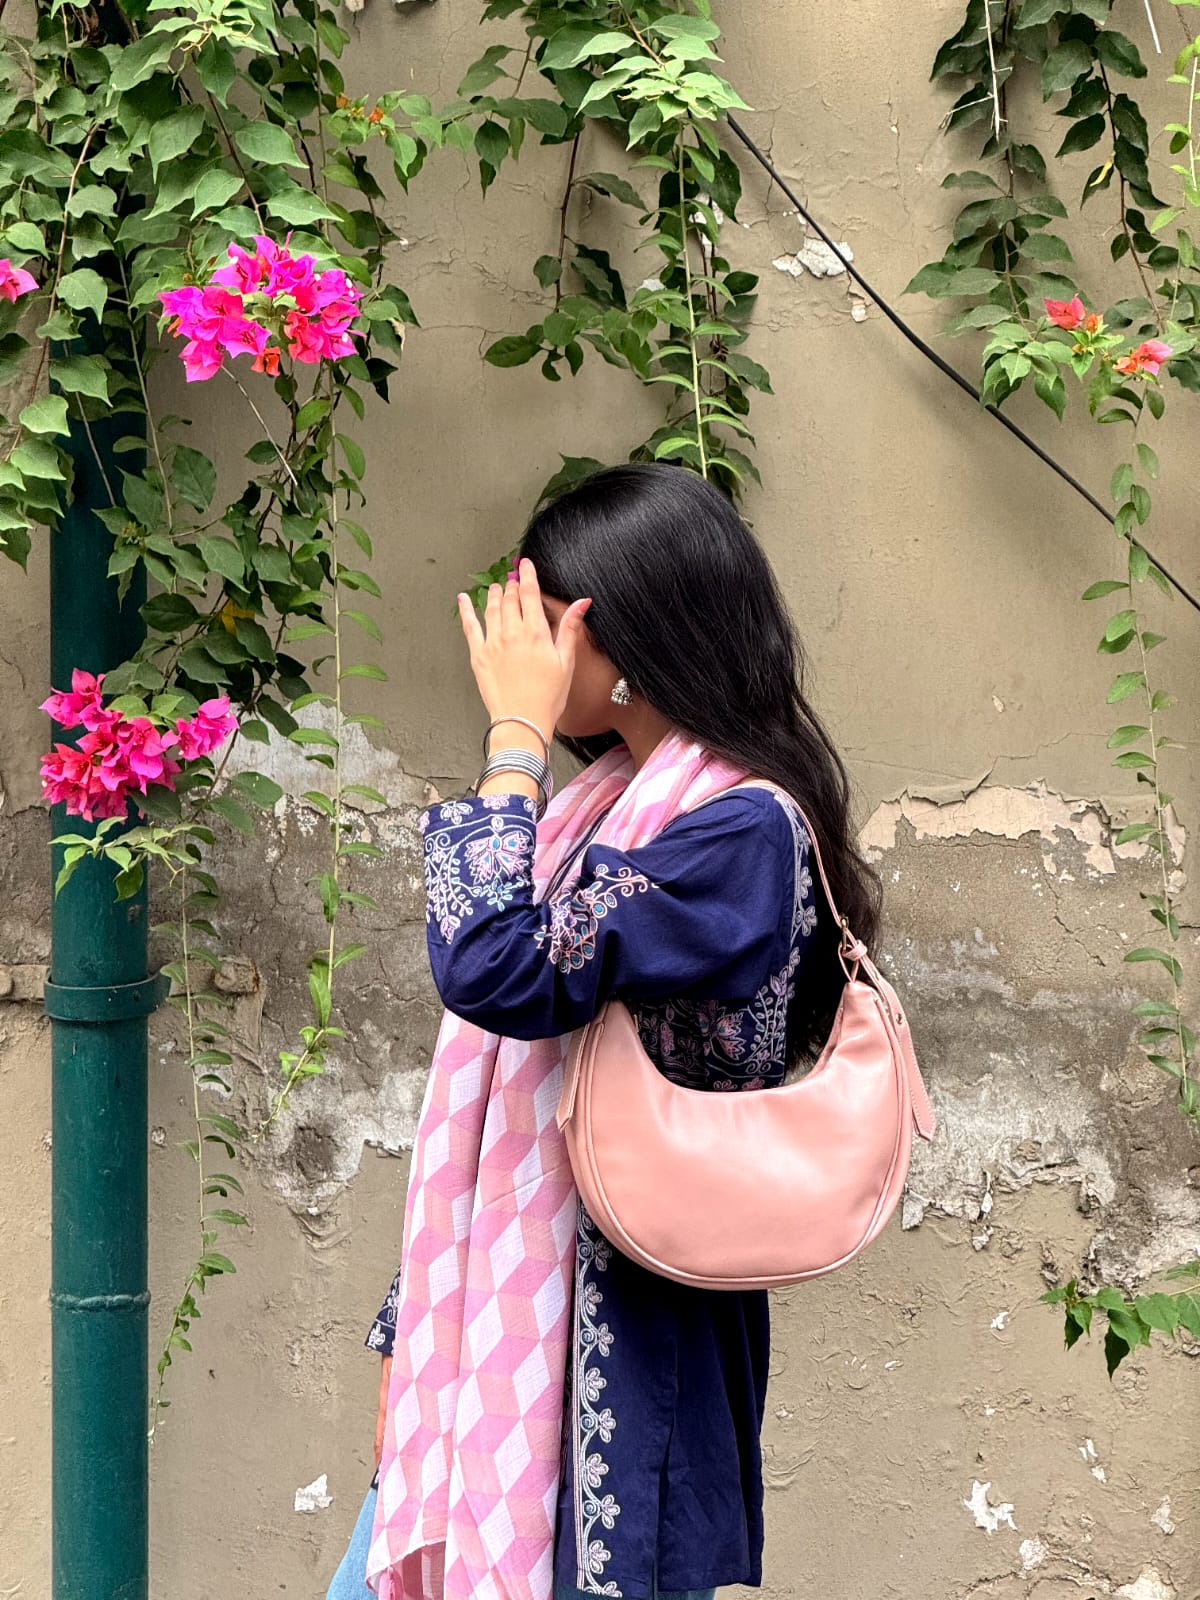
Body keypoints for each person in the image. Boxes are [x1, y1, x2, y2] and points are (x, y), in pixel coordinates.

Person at [325, 462, 881, 1600]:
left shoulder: (739, 834)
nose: (512, 651)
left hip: (630, 1344)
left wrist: (514, 739)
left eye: (539, 619)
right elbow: (498, 1119)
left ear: (617, 630)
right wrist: (410, 1338)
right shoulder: (609, 812)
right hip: (491, 1350)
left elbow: (497, 967)